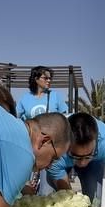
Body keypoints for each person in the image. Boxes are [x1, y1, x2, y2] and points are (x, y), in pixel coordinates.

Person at [17, 66, 69, 195]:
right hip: (31, 147)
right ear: (36, 79)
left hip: (49, 146)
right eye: (45, 77)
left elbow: (65, 118)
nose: (49, 80)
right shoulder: (25, 99)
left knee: (46, 190)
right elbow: (17, 118)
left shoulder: (55, 96)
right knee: (26, 189)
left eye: (50, 78)